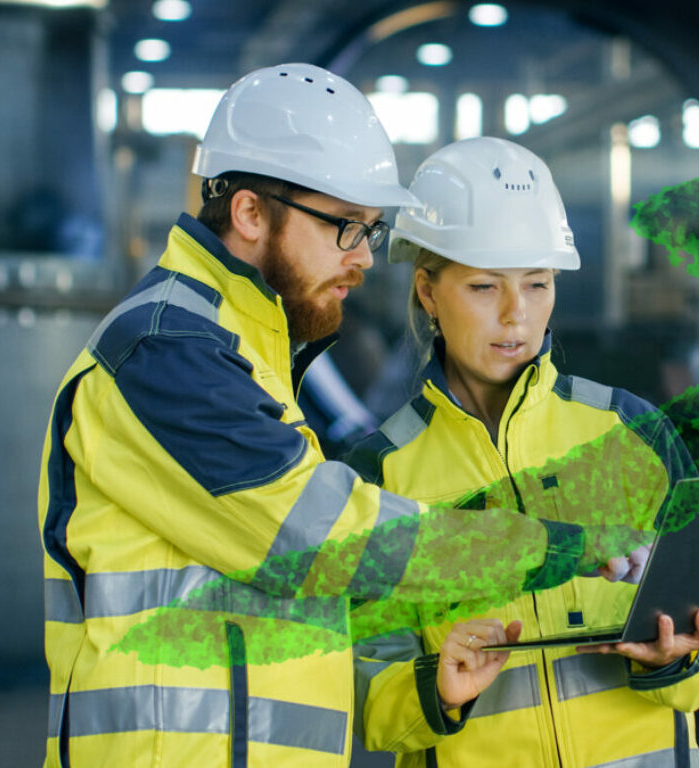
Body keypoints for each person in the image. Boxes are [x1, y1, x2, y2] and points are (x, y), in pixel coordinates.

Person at [37, 64, 632, 768]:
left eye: (372, 234)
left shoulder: (248, 353)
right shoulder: (167, 351)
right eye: (346, 228)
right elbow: (327, 541)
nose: (361, 260)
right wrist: (548, 546)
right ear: (252, 213)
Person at [343, 137, 699, 768]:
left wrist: (685, 655)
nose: (516, 315)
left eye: (537, 283)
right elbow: (361, 690)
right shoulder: (379, 475)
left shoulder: (631, 431)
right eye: (482, 287)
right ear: (427, 292)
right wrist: (438, 690)